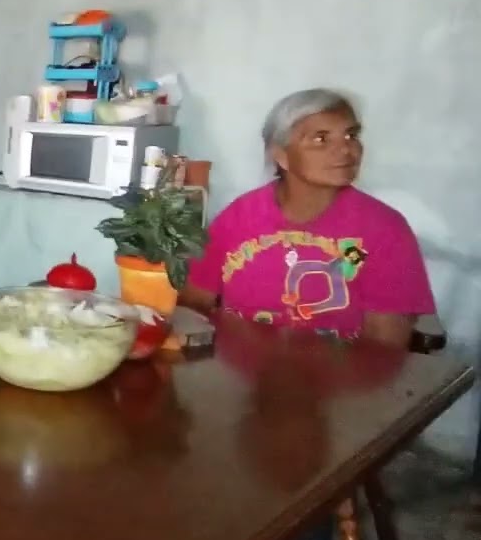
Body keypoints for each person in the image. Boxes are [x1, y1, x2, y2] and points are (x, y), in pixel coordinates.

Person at [181, 88, 435, 348]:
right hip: (243, 378)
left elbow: (384, 349)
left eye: (351, 135)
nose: (346, 150)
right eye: (321, 139)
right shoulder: (239, 217)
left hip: (342, 382)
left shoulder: (384, 229)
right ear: (280, 155)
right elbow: (194, 305)